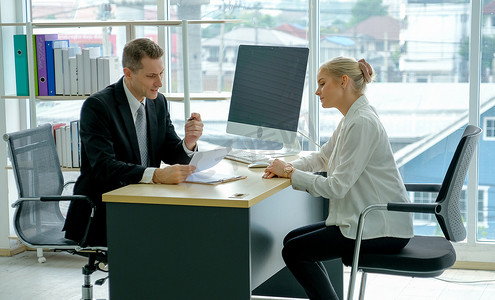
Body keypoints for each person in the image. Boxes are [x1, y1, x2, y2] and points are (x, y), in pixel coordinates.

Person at [262, 57, 413, 300]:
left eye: (322, 84)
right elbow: (322, 158)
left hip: (380, 228)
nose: (316, 91)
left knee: (295, 251)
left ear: (343, 82)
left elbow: (336, 187)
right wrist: (287, 167)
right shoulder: (352, 118)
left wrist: (290, 173)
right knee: (293, 241)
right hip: (363, 217)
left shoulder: (362, 122)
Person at [63, 38, 203, 246]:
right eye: (151, 76)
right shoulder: (98, 107)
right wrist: (156, 175)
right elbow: (104, 167)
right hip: (103, 210)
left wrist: (189, 142)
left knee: (192, 229)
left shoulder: (158, 102)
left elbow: (171, 152)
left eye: (161, 73)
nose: (159, 83)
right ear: (128, 73)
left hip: (145, 201)